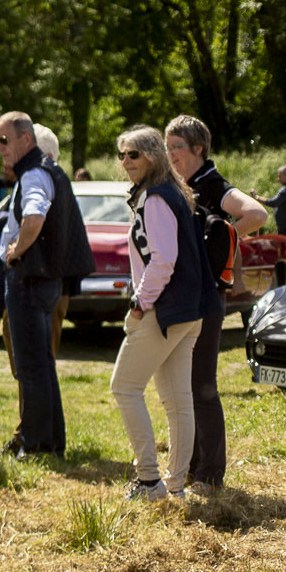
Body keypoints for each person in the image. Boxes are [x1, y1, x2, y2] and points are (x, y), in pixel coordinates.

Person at [165, 115, 268, 500]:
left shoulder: (212, 184)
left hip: (208, 296)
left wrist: (219, 235)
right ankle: (189, 467)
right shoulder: (178, 185)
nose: (170, 153)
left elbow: (257, 215)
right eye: (167, 146)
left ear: (198, 149)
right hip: (181, 297)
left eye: (177, 147)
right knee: (181, 385)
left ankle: (210, 473)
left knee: (202, 386)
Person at [111, 126, 207, 500]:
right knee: (178, 402)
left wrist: (139, 304)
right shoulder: (170, 193)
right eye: (122, 154)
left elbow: (163, 262)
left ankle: (150, 481)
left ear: (152, 154)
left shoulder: (156, 198)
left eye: (133, 154)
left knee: (124, 388)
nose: (126, 161)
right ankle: (176, 487)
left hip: (164, 311)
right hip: (186, 311)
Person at [0, 111, 92, 459]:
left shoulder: (35, 173)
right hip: (45, 281)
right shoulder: (46, 170)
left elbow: (34, 216)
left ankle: (35, 445)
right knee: (42, 365)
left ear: (26, 139)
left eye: (4, 140)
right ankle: (51, 442)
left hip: (30, 280)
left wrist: (15, 251)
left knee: (31, 366)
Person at [264, 165, 286, 236]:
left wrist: (257, 197)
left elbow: (274, 202)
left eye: (280, 176)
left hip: (285, 229)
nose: (278, 179)